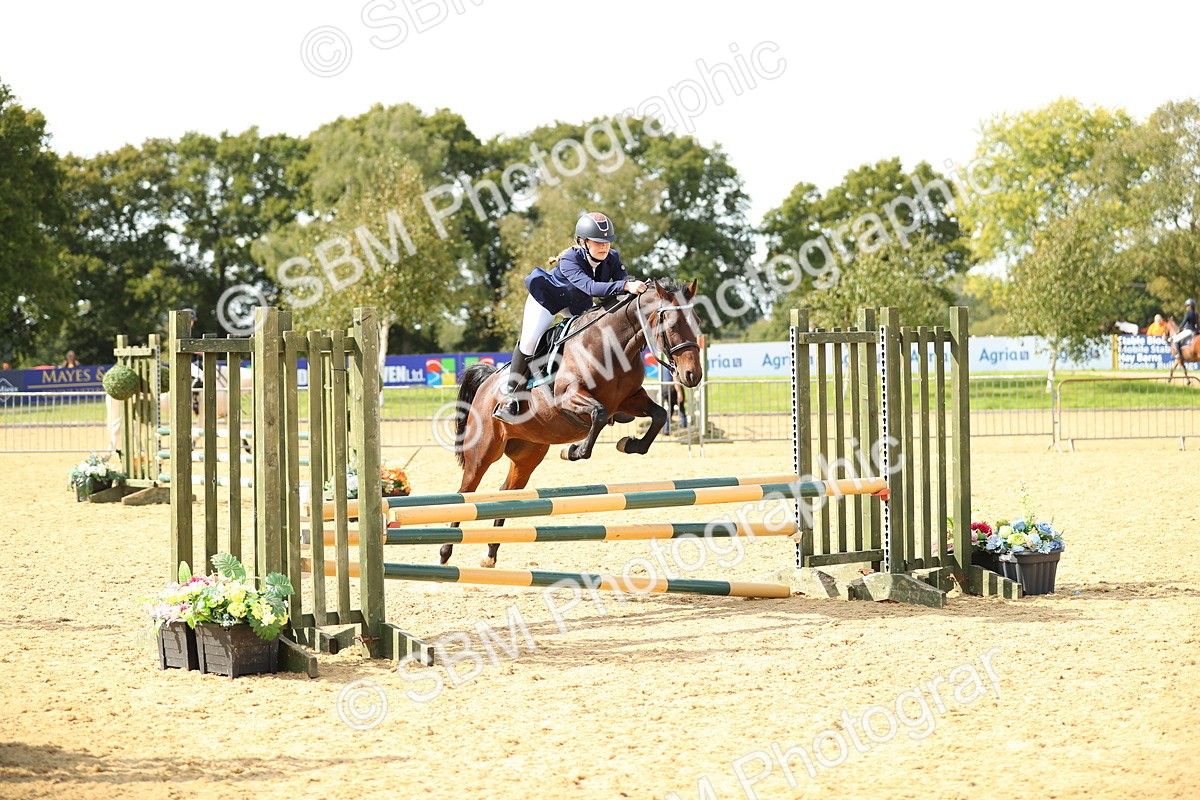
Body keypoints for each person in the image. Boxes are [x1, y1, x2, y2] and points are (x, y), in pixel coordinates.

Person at [493, 212, 648, 423]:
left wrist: (638, 291)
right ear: (583, 242)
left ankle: (609, 397)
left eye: (607, 242)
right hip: (548, 300)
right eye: (598, 242)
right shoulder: (570, 259)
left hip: (576, 303)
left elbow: (623, 286)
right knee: (530, 341)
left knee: (599, 336)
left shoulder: (613, 258)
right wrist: (625, 285)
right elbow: (592, 287)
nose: (604, 247)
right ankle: (512, 398)